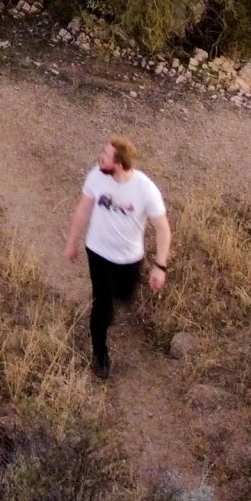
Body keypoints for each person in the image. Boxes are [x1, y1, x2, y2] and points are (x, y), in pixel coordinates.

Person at [63, 135, 169, 378]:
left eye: (106, 156)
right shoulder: (96, 176)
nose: (101, 157)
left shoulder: (145, 189)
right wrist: (72, 242)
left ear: (119, 163)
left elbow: (163, 228)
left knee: (124, 294)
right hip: (98, 252)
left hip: (130, 258)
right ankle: (100, 354)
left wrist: (159, 266)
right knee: (101, 304)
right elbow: (83, 209)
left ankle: (112, 302)